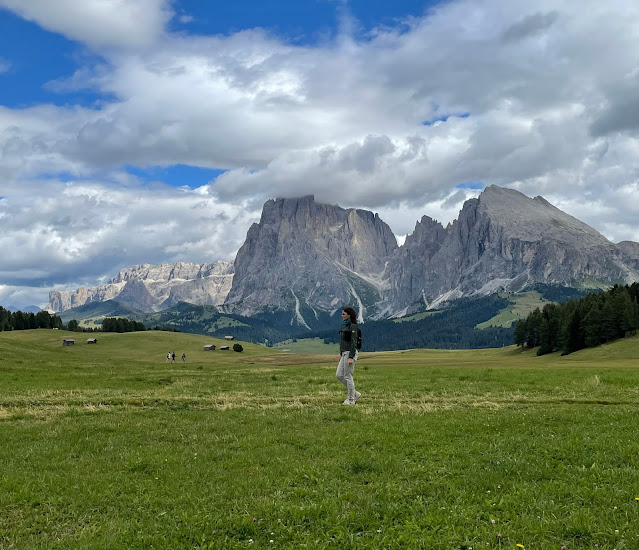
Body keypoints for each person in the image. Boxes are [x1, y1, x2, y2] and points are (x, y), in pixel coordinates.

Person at [336, 306, 361, 405]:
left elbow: (353, 343)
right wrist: (341, 354)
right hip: (344, 353)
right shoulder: (344, 326)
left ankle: (351, 399)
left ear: (349, 315)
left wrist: (351, 356)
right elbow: (343, 342)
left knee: (347, 376)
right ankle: (355, 393)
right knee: (339, 375)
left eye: (344, 314)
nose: (342, 315)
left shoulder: (353, 326)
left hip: (350, 353)